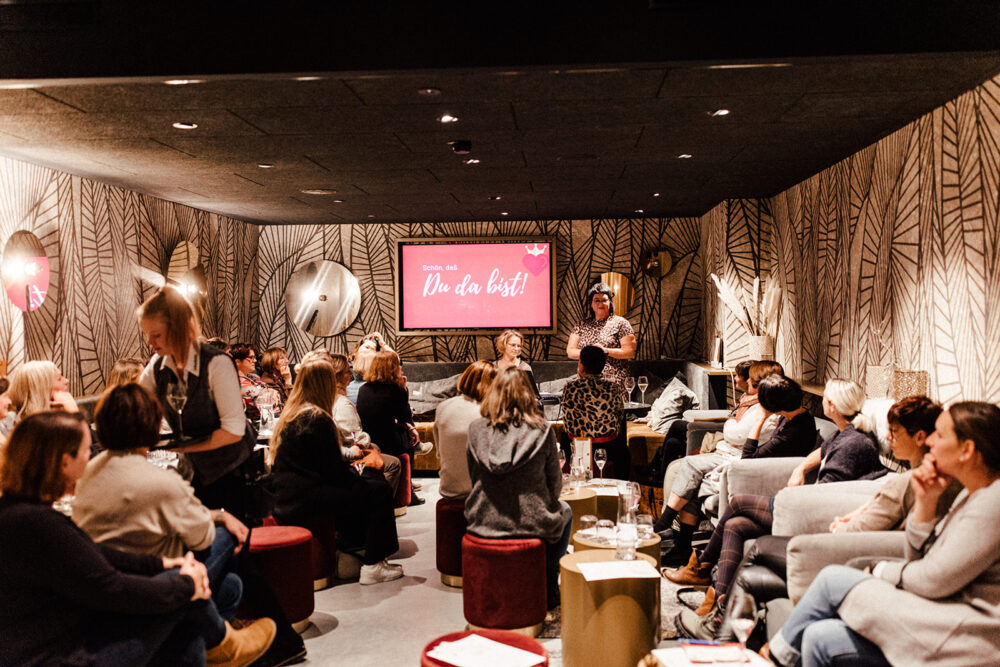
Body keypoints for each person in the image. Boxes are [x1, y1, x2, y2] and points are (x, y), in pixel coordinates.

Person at [0, 410, 275, 666]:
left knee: (221, 589)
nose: (89, 461)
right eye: (86, 452)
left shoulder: (18, 513)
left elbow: (96, 554)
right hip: (64, 656)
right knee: (192, 589)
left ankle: (221, 644)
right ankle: (226, 646)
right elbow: (110, 587)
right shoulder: (36, 523)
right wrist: (185, 583)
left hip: (66, 635)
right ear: (63, 462)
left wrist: (162, 565)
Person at [767, 401, 1000, 667]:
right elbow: (919, 560)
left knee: (833, 580)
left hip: (970, 629)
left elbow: (933, 580)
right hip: (946, 612)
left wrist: (879, 570)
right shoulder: (972, 495)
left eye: (940, 434)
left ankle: (772, 658)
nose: (931, 441)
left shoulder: (992, 503)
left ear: (967, 450)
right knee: (819, 637)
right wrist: (925, 504)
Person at [671, 379, 883, 639]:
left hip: (812, 517)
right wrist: (801, 468)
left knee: (738, 504)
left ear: (833, 406)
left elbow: (826, 495)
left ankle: (702, 568)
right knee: (736, 526)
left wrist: (792, 496)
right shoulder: (846, 432)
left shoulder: (853, 445)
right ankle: (719, 609)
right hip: (806, 506)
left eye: (826, 398)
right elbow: (822, 451)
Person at [73, 384, 250, 627]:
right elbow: (202, 539)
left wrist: (217, 514)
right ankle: (217, 638)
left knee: (230, 585)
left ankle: (214, 638)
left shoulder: (88, 471)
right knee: (229, 535)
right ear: (155, 425)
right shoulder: (161, 482)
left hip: (105, 579)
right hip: (155, 579)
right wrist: (222, 517)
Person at [270, 361, 404, 585]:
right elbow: (334, 470)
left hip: (290, 494)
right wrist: (360, 472)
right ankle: (373, 564)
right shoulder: (315, 418)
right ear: (324, 384)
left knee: (368, 481)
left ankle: (355, 548)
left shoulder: (293, 413)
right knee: (377, 489)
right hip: (305, 498)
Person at [137, 286, 250, 520]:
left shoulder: (216, 364)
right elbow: (135, 407)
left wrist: (177, 448)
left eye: (156, 334)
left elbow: (233, 431)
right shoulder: (157, 367)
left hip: (230, 471)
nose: (149, 342)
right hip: (191, 471)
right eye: (147, 334)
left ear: (178, 328)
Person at [465, 367, 572, 610]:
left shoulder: (475, 429)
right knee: (565, 511)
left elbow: (474, 478)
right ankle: (548, 582)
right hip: (531, 523)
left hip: (482, 520)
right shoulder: (542, 431)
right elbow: (555, 487)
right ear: (527, 395)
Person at [653, 361, 785, 557]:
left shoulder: (766, 411)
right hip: (727, 451)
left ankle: (665, 523)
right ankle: (681, 545)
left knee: (689, 462)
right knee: (678, 447)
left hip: (735, 457)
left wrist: (730, 422)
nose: (746, 380)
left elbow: (736, 434)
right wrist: (732, 423)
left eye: (750, 378)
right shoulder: (751, 403)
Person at [357, 349, 431, 504]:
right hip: (389, 442)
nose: (401, 368)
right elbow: (405, 416)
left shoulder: (363, 389)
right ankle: (409, 492)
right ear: (392, 367)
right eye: (398, 365)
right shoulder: (396, 390)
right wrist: (404, 390)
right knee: (408, 440)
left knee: (403, 430)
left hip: (368, 438)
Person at [328, 352, 402, 495]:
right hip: (348, 460)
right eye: (347, 370)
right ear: (337, 375)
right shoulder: (343, 404)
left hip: (340, 454)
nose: (351, 372)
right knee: (394, 462)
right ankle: (378, 505)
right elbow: (354, 438)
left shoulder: (358, 391)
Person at [560, 345, 628, 478]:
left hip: (575, 446)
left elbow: (566, 418)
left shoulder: (570, 387)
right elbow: (619, 415)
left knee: (563, 436)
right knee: (623, 447)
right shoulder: (612, 387)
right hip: (608, 448)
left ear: (582, 365)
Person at [435, 360, 498, 500]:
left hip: (448, 489)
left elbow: (439, 453)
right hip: (482, 494)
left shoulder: (443, 407)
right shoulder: (490, 411)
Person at [566, 282, 636, 393]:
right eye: (596, 300)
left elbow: (629, 352)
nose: (601, 304)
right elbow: (570, 352)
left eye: (604, 300)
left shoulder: (621, 323)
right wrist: (593, 352)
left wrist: (605, 351)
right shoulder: (582, 324)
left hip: (614, 381)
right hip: (586, 382)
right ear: (591, 304)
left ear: (610, 302)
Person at [8, 359, 79, 421]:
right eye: (59, 379)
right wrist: (73, 411)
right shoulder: (35, 427)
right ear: (42, 390)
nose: (66, 381)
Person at [231, 342, 269, 419]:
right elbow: (265, 402)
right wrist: (270, 393)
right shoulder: (237, 381)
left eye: (255, 357)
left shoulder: (253, 376)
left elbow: (270, 395)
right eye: (251, 358)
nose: (255, 360)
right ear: (237, 362)